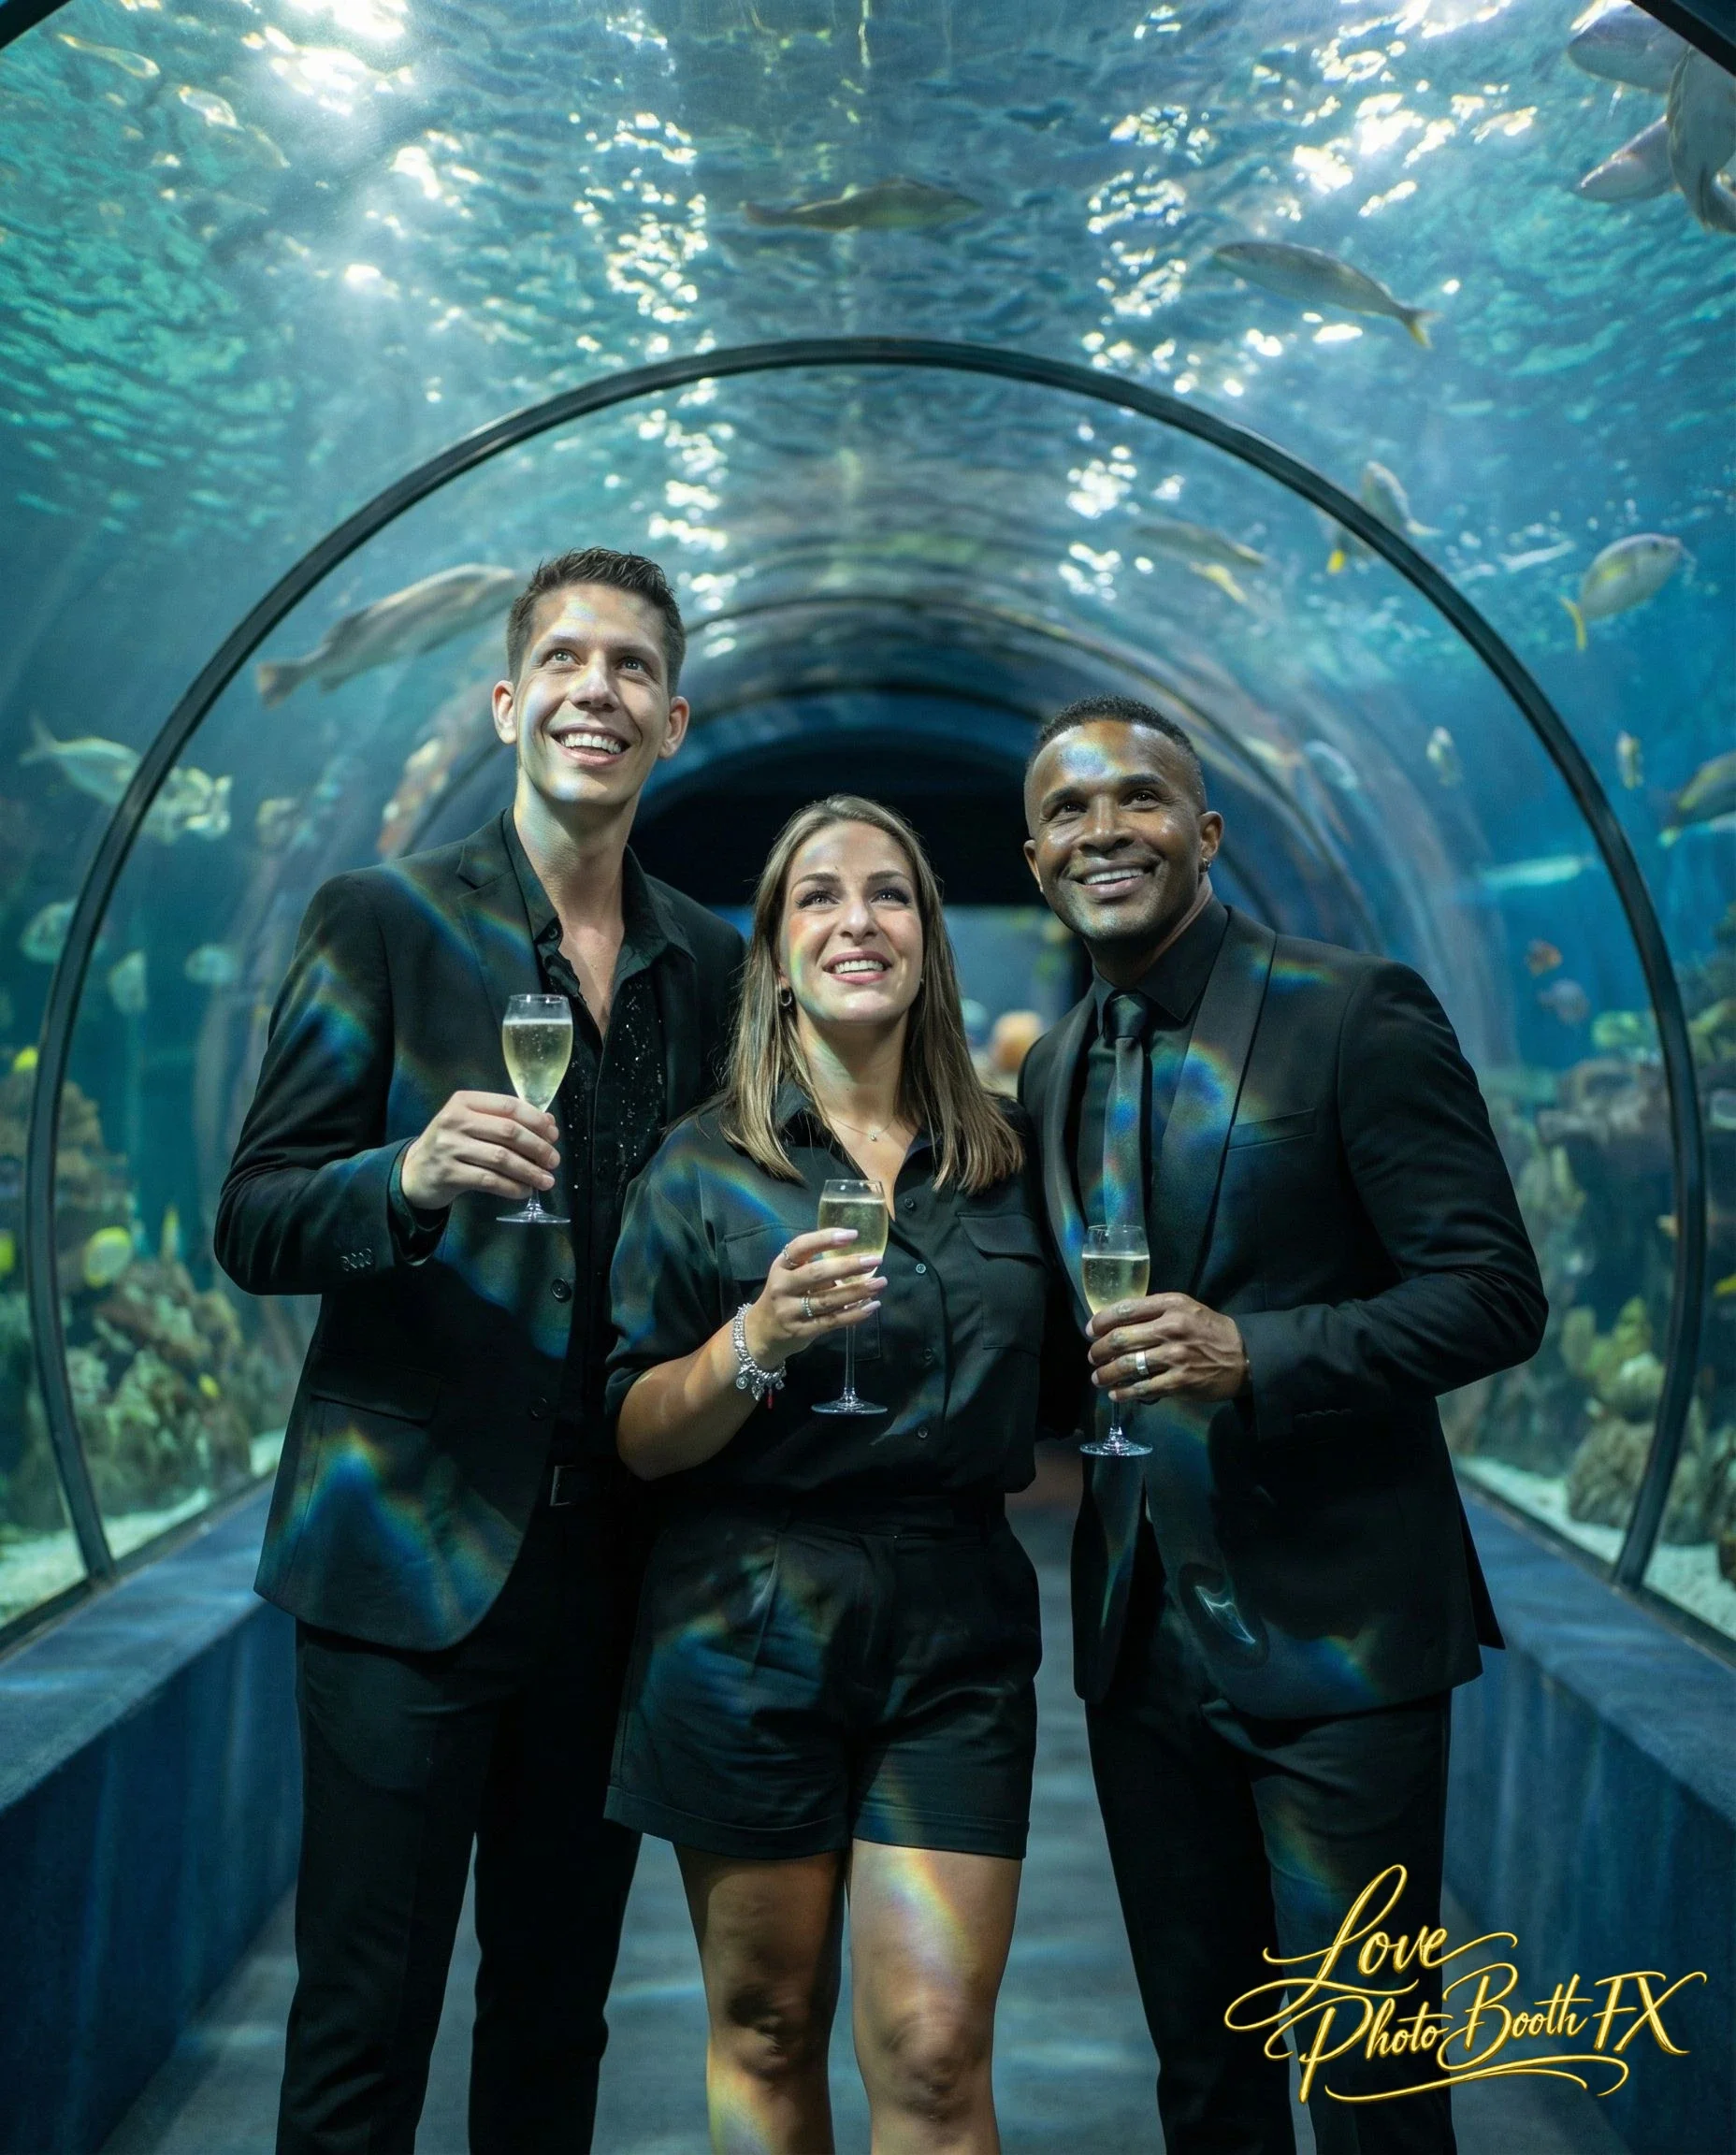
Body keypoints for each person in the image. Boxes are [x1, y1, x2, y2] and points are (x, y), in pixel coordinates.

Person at [215, 548, 744, 2154]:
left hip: (618, 1574)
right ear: (509, 702)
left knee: (556, 2013)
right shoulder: (377, 917)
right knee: (363, 2021)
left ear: (672, 721)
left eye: (634, 667)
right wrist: (405, 1180)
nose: (600, 687)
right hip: (401, 1564)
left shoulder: (714, 965)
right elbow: (254, 1216)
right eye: (567, 661)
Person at [1017, 696, 1547, 2155]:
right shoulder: (1053, 1067)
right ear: (1034, 852)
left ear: (1207, 829)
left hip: (1342, 1642)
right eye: (1068, 812)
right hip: (1139, 1651)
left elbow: (1496, 1296)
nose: (1104, 829)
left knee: (1373, 2089)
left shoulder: (1351, 1009)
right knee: (1204, 2079)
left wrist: (1260, 1352)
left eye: (1138, 799)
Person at [605, 795, 1069, 2155]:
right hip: (746, 1620)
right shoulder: (701, 1165)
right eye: (818, 895)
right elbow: (636, 1431)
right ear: (773, 946)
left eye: (890, 893)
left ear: (929, 934)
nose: (856, 920)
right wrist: (751, 1342)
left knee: (932, 2055)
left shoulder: (1008, 1158)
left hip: (956, 1627)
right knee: (764, 2023)